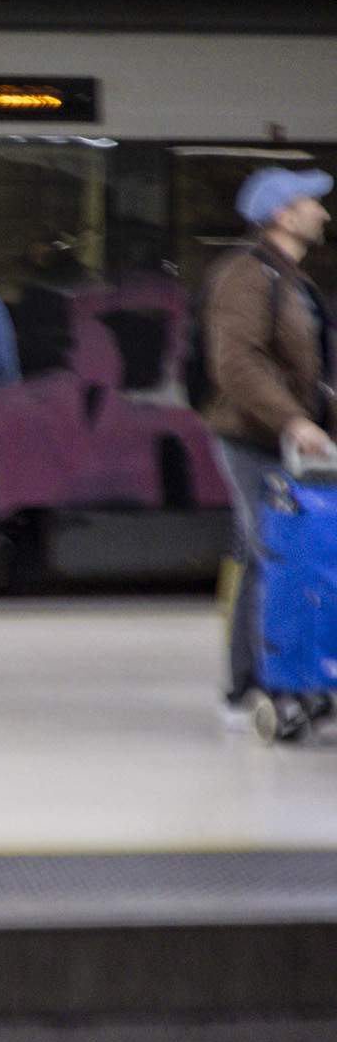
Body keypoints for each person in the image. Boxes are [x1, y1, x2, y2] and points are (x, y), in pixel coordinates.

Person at [203, 165, 335, 725]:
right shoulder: (247, 275)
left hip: (282, 439)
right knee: (275, 555)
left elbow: (300, 369)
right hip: (253, 438)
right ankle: (263, 686)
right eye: (313, 203)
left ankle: (263, 678)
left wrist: (317, 411)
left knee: (269, 558)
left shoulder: (291, 278)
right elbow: (237, 363)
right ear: (283, 214)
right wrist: (293, 421)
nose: (324, 213)